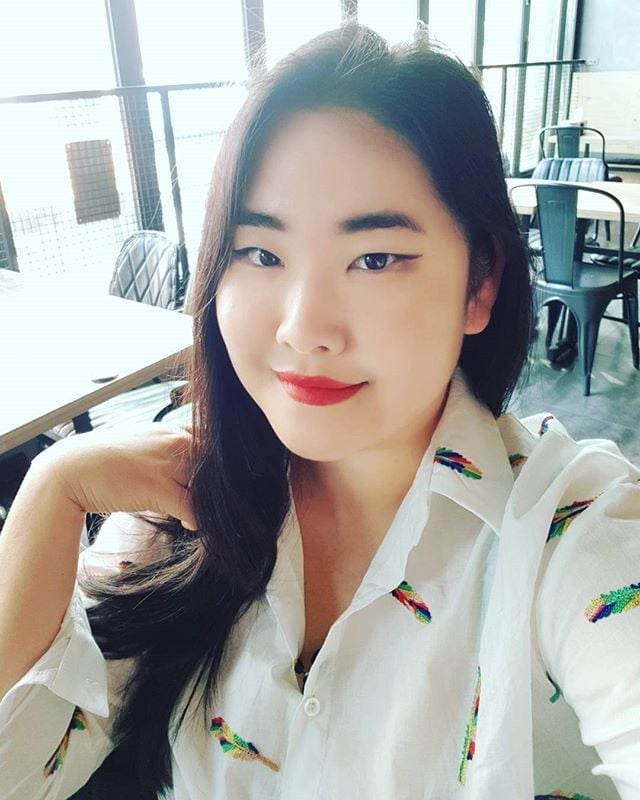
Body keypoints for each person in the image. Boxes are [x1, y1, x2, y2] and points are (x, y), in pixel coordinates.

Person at [1, 23, 639, 800]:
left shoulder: (569, 534)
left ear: (479, 283)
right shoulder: (175, 501)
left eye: (375, 258)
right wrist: (52, 491)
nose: (304, 328)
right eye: (260, 253)